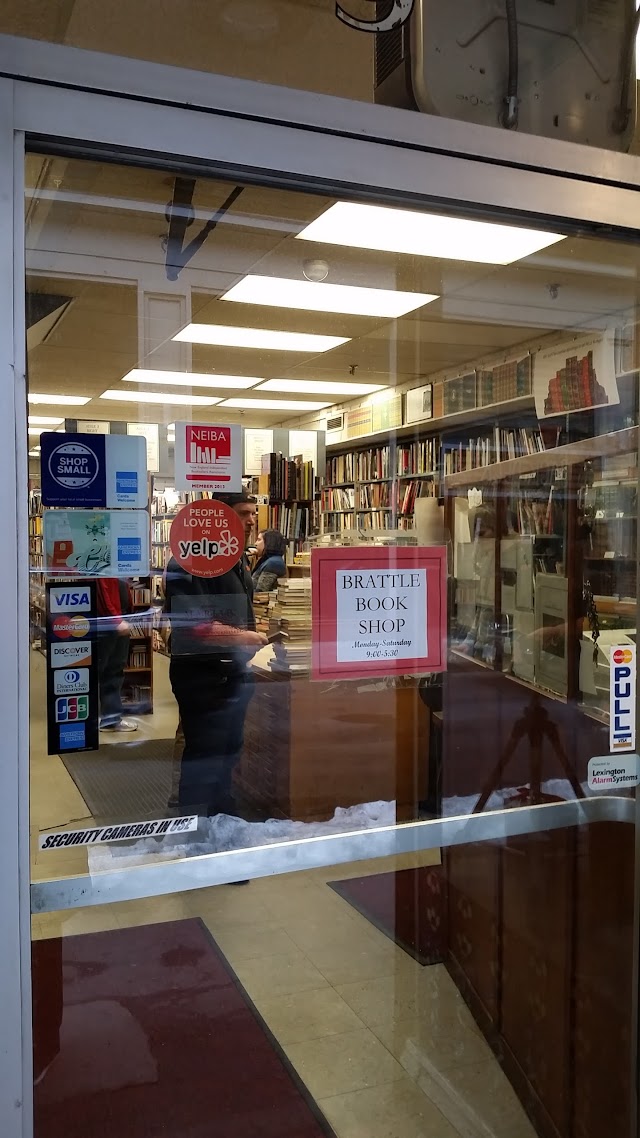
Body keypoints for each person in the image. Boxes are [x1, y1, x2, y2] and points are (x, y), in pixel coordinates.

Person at [164, 489, 267, 818]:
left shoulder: (234, 557)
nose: (251, 521)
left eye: (253, 514)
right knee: (204, 760)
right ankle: (195, 832)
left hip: (233, 672)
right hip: (204, 675)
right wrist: (244, 636)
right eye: (242, 513)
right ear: (219, 517)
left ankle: (219, 828)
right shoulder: (190, 558)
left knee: (227, 756)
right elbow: (194, 625)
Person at [96, 577, 138, 732]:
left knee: (114, 670)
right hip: (110, 622)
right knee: (106, 669)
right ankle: (106, 719)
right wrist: (116, 620)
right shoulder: (104, 560)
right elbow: (104, 591)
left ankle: (111, 720)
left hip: (118, 618)